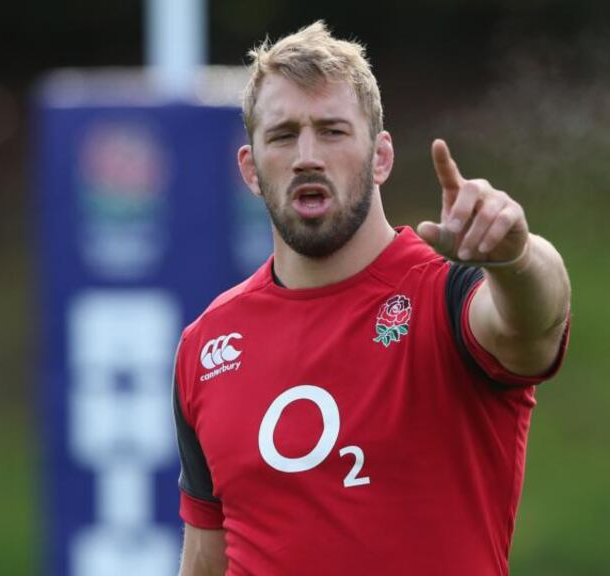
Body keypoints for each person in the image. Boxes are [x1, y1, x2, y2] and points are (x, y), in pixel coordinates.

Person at [172, 21, 571, 576]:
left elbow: (536, 322)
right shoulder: (208, 347)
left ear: (381, 157)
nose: (307, 156)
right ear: (251, 169)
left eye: (333, 131)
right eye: (283, 135)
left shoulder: (445, 297)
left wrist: (516, 256)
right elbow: (204, 560)